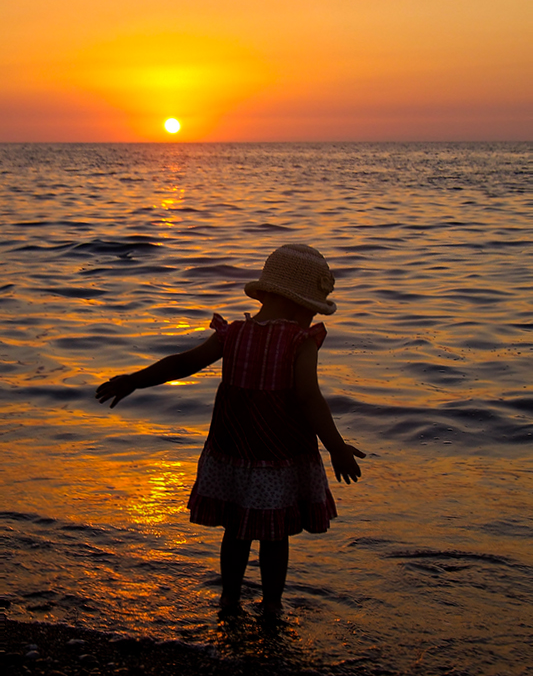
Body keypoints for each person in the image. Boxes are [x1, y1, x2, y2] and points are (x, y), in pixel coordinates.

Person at [96, 244, 365, 618]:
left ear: (267, 293)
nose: (311, 318)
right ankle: (271, 606)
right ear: (298, 303)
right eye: (312, 309)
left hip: (234, 449)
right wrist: (336, 446)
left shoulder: (233, 334)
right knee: (275, 538)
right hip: (279, 455)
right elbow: (308, 397)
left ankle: (230, 601)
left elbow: (184, 363)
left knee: (236, 531)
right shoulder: (301, 341)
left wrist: (134, 381)